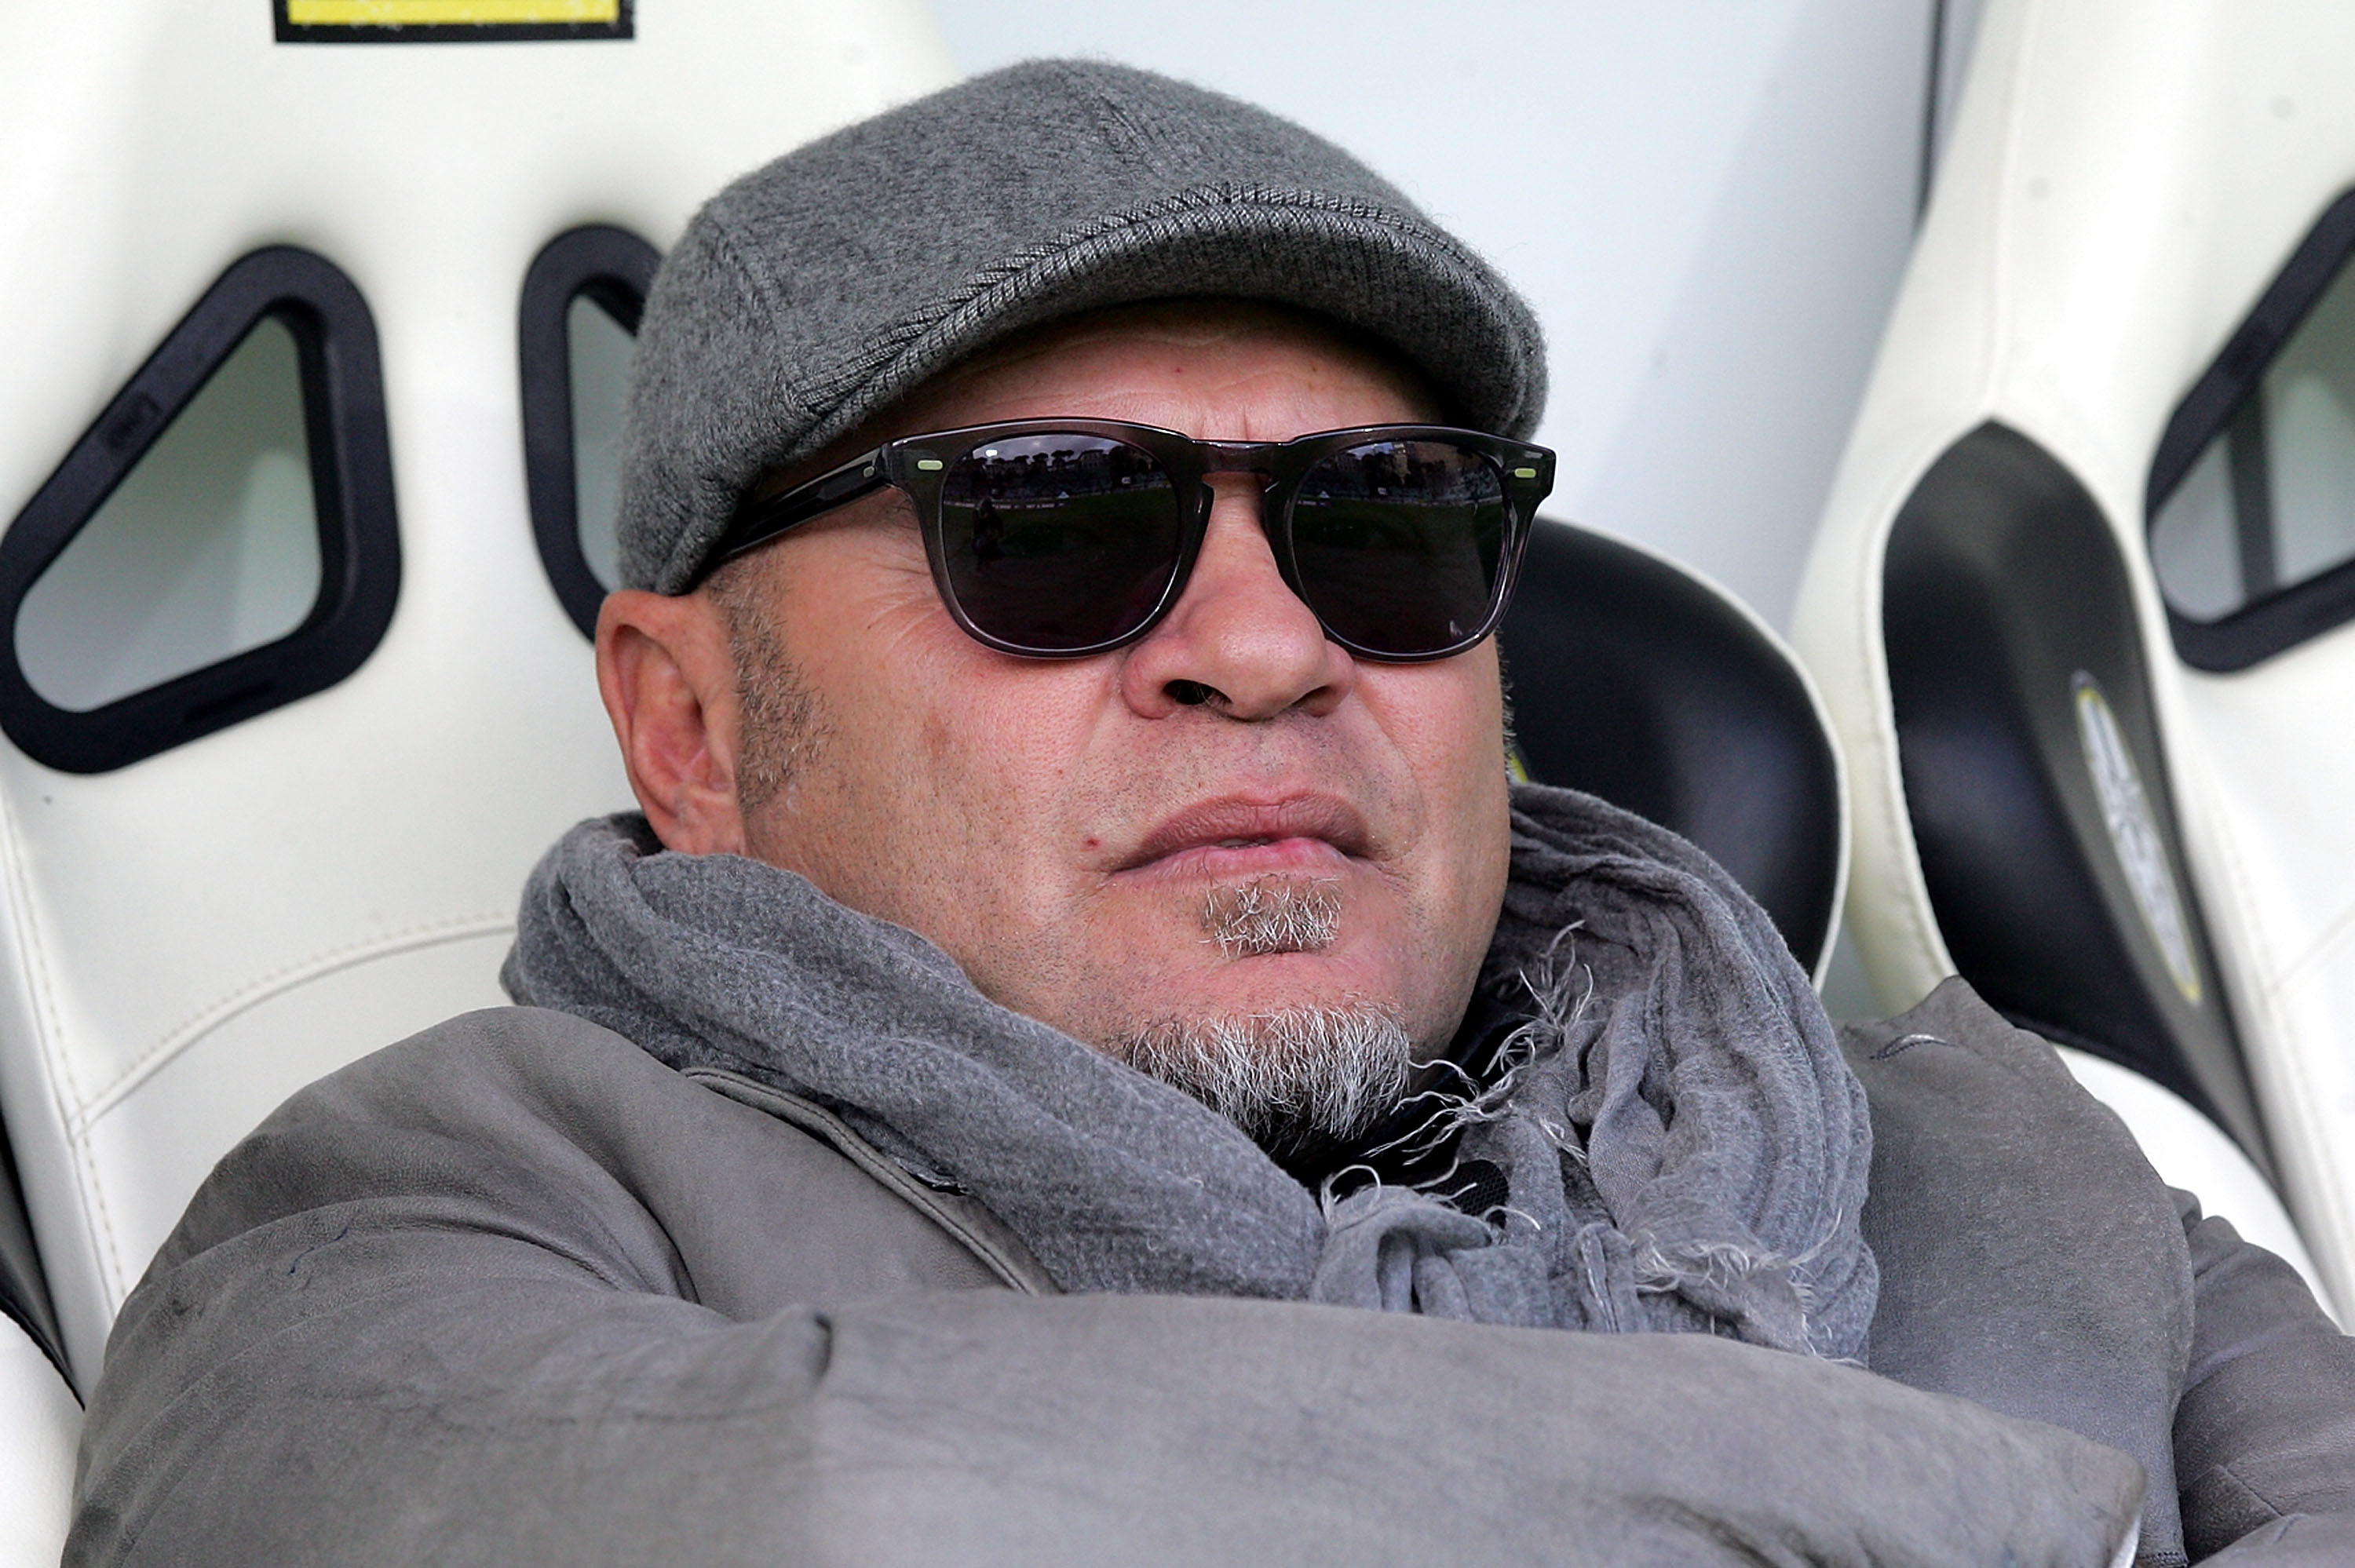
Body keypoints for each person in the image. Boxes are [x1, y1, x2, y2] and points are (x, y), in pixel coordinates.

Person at [67, 61, 2355, 1566]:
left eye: (1388, 527)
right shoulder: (426, 1220)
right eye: (1054, 531)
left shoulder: (2016, 1162)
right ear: (690, 729)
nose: (1266, 648)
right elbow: (809, 1515)